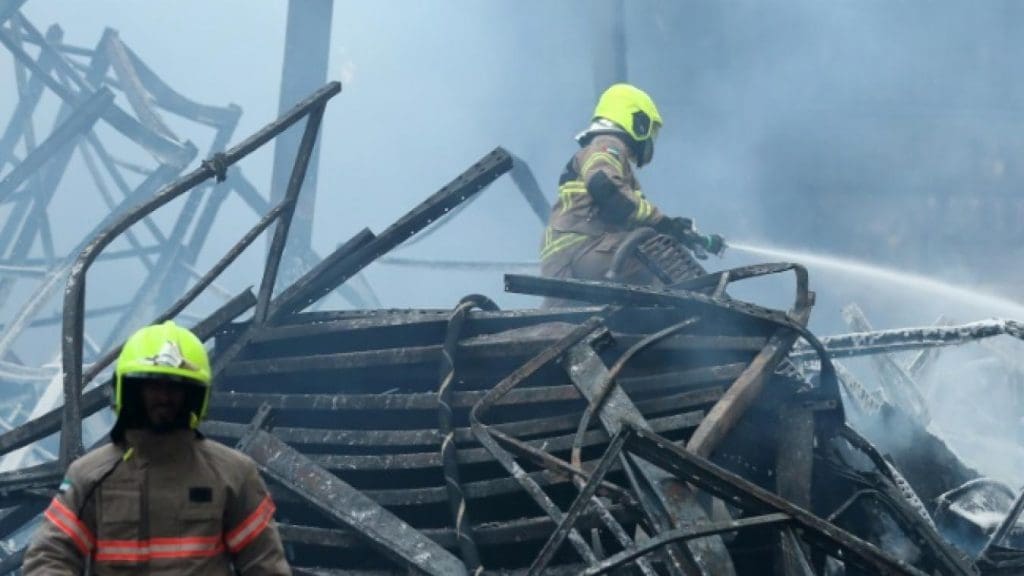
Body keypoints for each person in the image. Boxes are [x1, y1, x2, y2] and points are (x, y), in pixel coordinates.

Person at [24, 321, 291, 575]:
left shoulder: (233, 474)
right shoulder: (90, 475)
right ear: (129, 391)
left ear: (194, 397)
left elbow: (264, 565)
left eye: (175, 388)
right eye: (152, 385)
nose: (163, 397)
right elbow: (51, 555)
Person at [540, 83, 725, 286]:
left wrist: (674, 229)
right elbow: (608, 191)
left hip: (564, 256)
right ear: (637, 122)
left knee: (562, 316)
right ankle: (709, 310)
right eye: (650, 130)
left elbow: (621, 211)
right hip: (585, 246)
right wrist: (664, 224)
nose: (651, 139)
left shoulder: (599, 151)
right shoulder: (606, 146)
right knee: (661, 258)